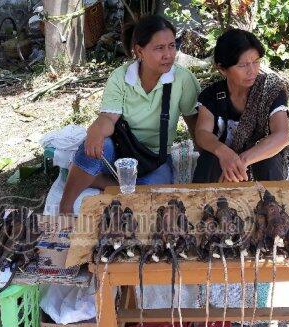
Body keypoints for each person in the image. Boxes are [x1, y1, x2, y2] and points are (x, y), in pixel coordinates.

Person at [58, 15, 200, 214]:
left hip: (155, 157)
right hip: (120, 151)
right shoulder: (121, 77)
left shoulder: (183, 79)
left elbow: (194, 122)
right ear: (139, 51)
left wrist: (205, 158)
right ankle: (65, 205)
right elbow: (109, 118)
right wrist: (96, 130)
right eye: (159, 48)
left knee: (156, 194)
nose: (168, 54)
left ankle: (98, 180)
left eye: (171, 46)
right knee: (97, 144)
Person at [192, 29, 289, 183]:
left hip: (258, 158)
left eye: (256, 61)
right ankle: (203, 204)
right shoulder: (212, 95)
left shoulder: (270, 90)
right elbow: (202, 133)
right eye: (243, 65)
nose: (252, 71)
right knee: (209, 160)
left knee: (269, 163)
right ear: (222, 69)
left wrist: (240, 161)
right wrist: (223, 152)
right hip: (223, 161)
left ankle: (271, 205)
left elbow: (282, 136)